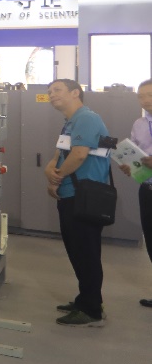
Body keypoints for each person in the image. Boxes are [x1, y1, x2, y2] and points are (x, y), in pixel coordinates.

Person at [44, 78, 110, 327]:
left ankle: (91, 309)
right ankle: (86, 299)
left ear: (75, 93)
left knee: (86, 252)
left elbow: (80, 154)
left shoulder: (87, 118)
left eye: (57, 90)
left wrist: (57, 178)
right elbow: (59, 154)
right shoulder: (69, 122)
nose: (51, 94)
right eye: (50, 91)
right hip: (71, 194)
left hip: (84, 197)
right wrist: (50, 170)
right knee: (77, 251)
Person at [116, 78, 152, 309]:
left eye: (150, 95)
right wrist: (128, 165)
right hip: (147, 189)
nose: (145, 100)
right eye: (141, 96)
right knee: (151, 241)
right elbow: (134, 151)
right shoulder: (139, 124)